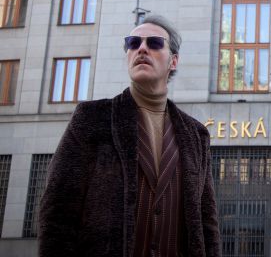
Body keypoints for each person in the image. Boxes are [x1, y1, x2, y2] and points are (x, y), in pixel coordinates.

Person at [39, 15, 221, 257]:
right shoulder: (92, 118)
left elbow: (207, 223)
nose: (142, 48)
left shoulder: (196, 134)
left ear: (173, 61)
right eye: (133, 43)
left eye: (154, 43)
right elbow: (58, 210)